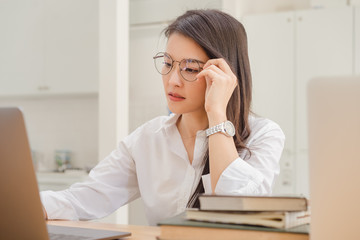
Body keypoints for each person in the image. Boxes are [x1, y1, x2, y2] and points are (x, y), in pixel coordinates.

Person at [41, 9, 285, 226]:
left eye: (190, 69)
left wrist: (217, 114)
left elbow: (236, 215)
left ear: (225, 74)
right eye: (168, 64)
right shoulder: (148, 139)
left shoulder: (264, 135)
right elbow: (83, 199)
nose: (173, 80)